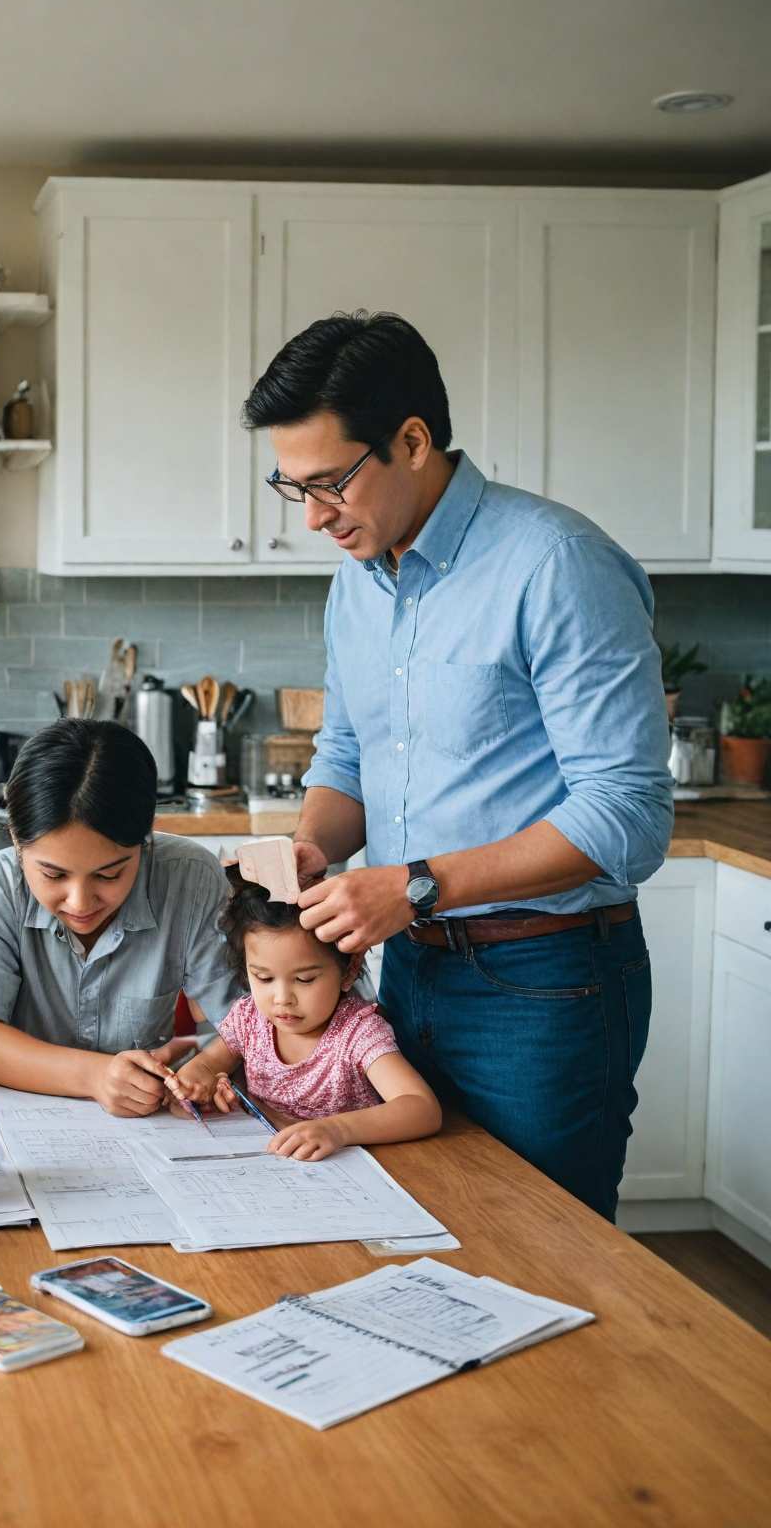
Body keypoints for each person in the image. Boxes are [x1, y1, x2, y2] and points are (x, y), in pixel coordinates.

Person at [242, 310, 672, 1218]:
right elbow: (349, 752)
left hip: (545, 985)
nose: (315, 517)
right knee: (425, 1235)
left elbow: (625, 812)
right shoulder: (356, 583)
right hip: (410, 974)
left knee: (552, 1252)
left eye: (330, 485)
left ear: (411, 440)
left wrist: (418, 887)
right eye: (293, 487)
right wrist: (316, 847)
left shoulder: (558, 564)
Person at [0, 719, 244, 1116]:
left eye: (109, 874)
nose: (80, 901)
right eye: (53, 875)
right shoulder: (1, 883)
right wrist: (95, 1076)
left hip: (152, 1125)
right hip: (26, 1119)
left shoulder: (189, 877)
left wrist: (208, 1068)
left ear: (145, 841)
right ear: (17, 842)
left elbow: (250, 1023)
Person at [166, 867, 440, 1160]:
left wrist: (337, 1130)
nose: (282, 999)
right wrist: (194, 1083)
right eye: (264, 978)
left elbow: (421, 1108)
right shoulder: (249, 1019)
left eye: (305, 980)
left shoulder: (358, 1033)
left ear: (348, 971)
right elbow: (207, 1065)